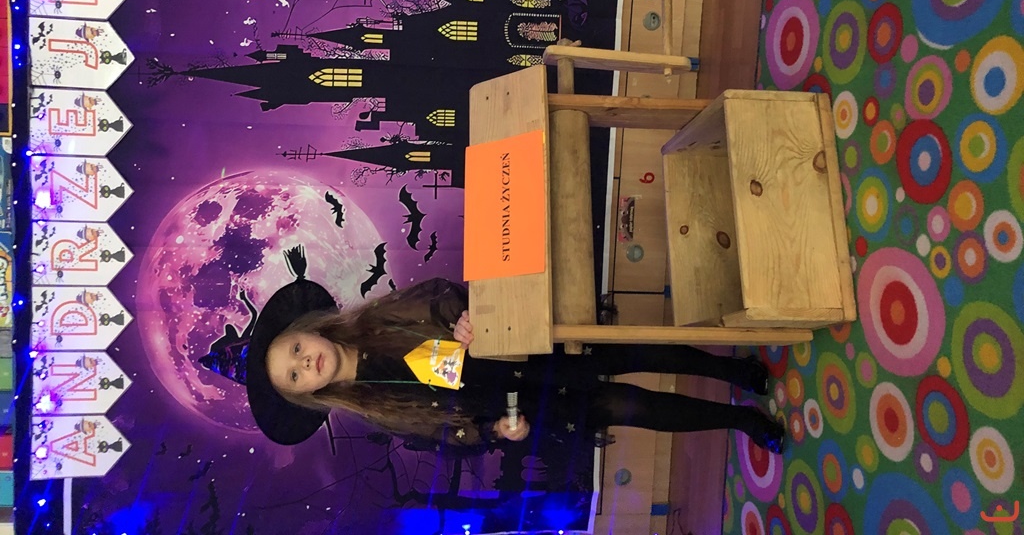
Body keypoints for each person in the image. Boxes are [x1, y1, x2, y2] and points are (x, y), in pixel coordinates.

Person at [212, 246, 786, 454]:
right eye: (294, 376)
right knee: (637, 409)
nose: (304, 362)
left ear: (309, 328)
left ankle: (732, 370)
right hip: (521, 402)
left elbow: (440, 295)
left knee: (640, 356)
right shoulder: (377, 407)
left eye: (295, 348)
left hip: (526, 351)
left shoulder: (376, 318)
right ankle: (741, 422)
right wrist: (495, 431)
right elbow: (450, 434)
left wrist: (463, 318)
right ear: (307, 395)